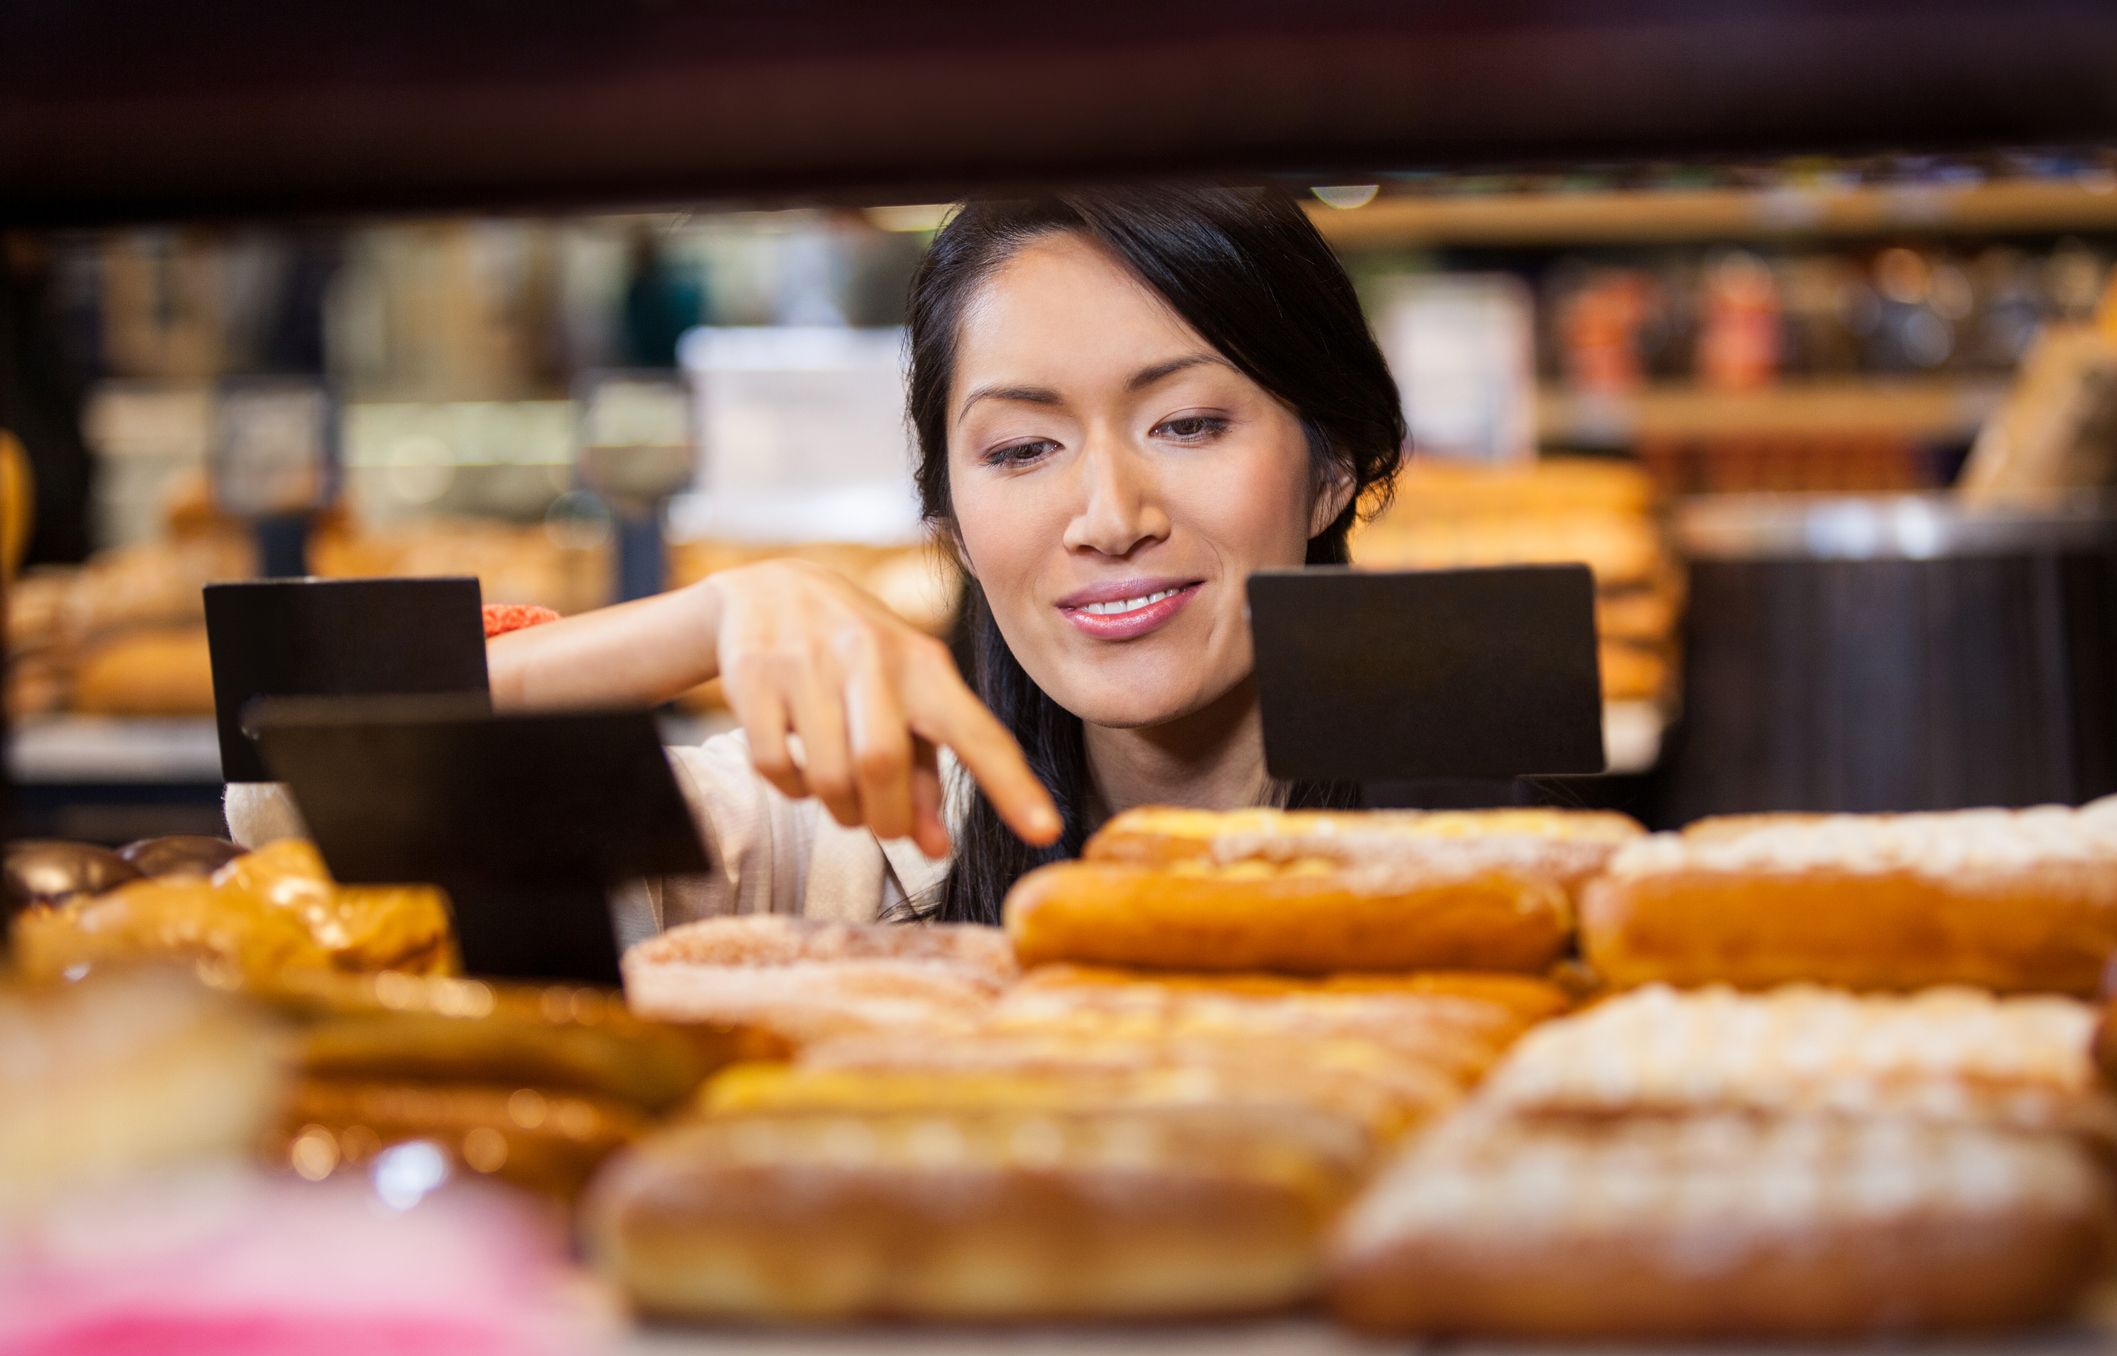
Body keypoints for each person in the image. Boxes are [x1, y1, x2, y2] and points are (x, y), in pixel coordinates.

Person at [233, 187, 1407, 929]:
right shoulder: (843, 841)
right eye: (1021, 448)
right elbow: (295, 784)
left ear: (1333, 462)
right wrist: (709, 618)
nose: (1107, 515)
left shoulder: (1491, 839)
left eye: (1187, 425)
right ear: (945, 508)